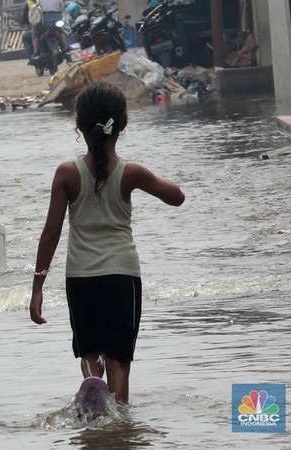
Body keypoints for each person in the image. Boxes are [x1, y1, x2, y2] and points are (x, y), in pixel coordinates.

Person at [28, 82, 185, 404]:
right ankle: (119, 421)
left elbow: (50, 234)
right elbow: (177, 198)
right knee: (119, 361)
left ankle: (91, 383)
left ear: (79, 125)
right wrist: (149, 179)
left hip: (81, 278)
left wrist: (37, 288)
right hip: (121, 276)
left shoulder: (66, 174)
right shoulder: (132, 173)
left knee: (90, 353)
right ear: (121, 124)